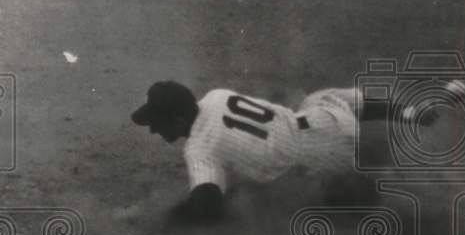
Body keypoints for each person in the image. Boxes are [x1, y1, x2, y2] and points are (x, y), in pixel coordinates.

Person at [131, 80, 443, 223]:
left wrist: (162, 219)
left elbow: (208, 204)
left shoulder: (199, 149)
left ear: (180, 119)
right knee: (325, 98)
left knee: (348, 205)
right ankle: (409, 113)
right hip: (326, 120)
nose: (153, 129)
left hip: (331, 164)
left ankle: (406, 192)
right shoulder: (216, 95)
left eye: (157, 122)